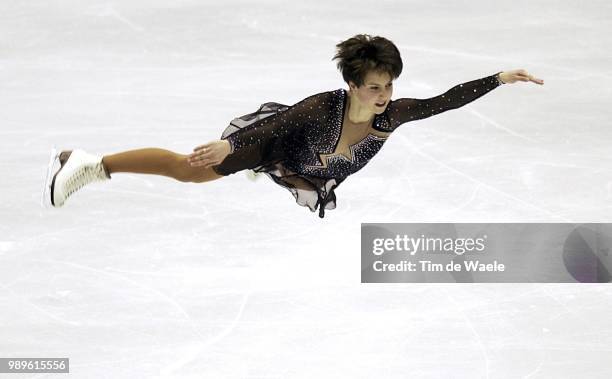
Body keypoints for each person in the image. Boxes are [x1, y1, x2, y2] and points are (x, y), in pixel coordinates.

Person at [44, 34, 544, 218]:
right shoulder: (321, 108)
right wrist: (228, 146)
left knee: (213, 172)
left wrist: (497, 78)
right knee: (187, 171)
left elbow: (442, 102)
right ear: (352, 84)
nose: (383, 96)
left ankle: (96, 163)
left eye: (388, 85)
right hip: (278, 143)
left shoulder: (394, 114)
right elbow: (276, 124)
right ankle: (89, 163)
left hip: (306, 165)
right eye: (373, 86)